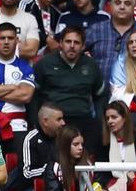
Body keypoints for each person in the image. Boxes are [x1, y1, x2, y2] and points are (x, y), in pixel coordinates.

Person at [34, 26, 106, 154]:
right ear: (60, 43)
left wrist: (99, 119)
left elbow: (100, 95)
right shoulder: (44, 64)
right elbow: (34, 96)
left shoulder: (91, 65)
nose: (72, 46)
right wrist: (36, 120)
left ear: (83, 46)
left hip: (83, 118)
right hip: (55, 121)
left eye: (76, 42)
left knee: (98, 136)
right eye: (68, 42)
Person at [36, 125, 82, 191]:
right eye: (76, 145)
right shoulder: (54, 166)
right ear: (65, 146)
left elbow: (96, 181)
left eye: (82, 144)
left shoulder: (87, 163)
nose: (80, 148)